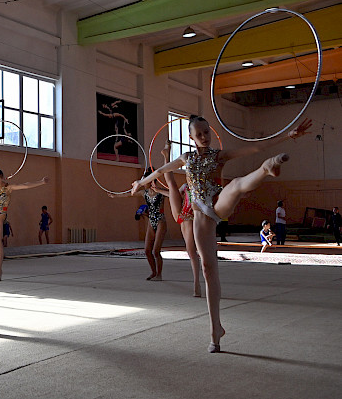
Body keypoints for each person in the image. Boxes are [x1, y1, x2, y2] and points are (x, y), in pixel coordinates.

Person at [132, 115, 312, 353]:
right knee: (208, 268)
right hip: (200, 213)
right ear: (191, 138)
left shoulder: (219, 155)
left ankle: (266, 168)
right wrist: (140, 183)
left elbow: (254, 148)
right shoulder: (186, 158)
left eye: (206, 132)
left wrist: (287, 136)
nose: (204, 137)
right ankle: (215, 329)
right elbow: (162, 170)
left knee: (236, 184)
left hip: (217, 202)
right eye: (199, 134)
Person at [159, 141, 201, 297]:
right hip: (183, 215)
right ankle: (166, 155)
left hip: (191, 218)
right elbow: (173, 195)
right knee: (171, 185)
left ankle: (196, 283)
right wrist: (158, 190)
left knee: (192, 251)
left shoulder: (200, 187)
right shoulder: (185, 186)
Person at [110, 169, 167, 281]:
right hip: (151, 221)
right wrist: (115, 196)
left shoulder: (160, 192)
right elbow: (129, 195)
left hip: (161, 221)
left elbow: (173, 193)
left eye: (145, 181)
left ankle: (159, 275)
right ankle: (153, 272)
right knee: (147, 250)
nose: (143, 183)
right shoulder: (144, 193)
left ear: (151, 181)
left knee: (156, 251)